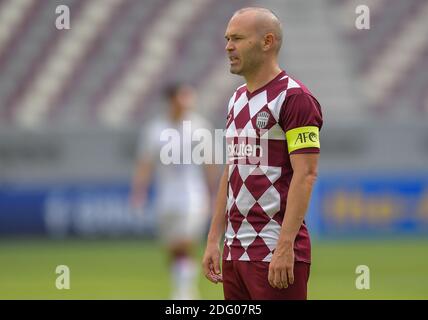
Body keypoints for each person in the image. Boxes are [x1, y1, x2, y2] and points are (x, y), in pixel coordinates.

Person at [202, 7, 323, 300]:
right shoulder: (236, 100)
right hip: (234, 253)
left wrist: (285, 246)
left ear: (267, 42)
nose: (228, 46)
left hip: (272, 252)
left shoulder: (295, 99)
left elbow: (306, 175)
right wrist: (212, 240)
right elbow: (231, 171)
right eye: (227, 38)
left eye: (238, 38)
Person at [131, 83, 217, 300]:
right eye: (182, 97)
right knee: (172, 248)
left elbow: (210, 164)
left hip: (193, 197)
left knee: (185, 242)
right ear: (171, 100)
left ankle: (185, 293)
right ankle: (182, 288)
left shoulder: (200, 128)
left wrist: (213, 194)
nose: (187, 102)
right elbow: (145, 164)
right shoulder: (155, 129)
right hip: (165, 198)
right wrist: (138, 193)